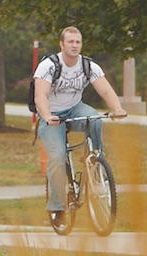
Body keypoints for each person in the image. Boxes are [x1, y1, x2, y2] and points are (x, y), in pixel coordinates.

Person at [33, 26, 128, 229]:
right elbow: (40, 96)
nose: (75, 45)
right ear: (62, 44)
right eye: (70, 42)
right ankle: (57, 208)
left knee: (94, 119)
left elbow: (105, 89)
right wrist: (48, 116)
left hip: (75, 109)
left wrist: (117, 108)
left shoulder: (87, 65)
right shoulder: (49, 65)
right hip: (51, 116)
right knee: (58, 157)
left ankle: (95, 161)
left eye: (78, 42)